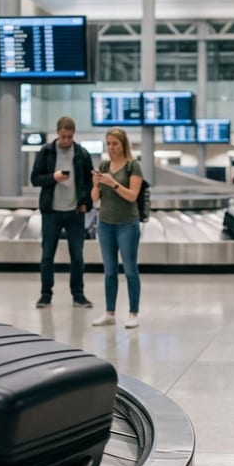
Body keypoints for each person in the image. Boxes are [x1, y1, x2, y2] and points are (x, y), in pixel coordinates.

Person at [31, 116, 95, 309]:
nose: (66, 140)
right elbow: (35, 178)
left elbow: (88, 181)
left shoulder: (82, 154)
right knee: (47, 255)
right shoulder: (46, 152)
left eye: (69, 137)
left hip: (75, 212)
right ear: (57, 133)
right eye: (63, 136)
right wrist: (53, 177)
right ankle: (45, 295)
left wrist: (86, 203)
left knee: (77, 256)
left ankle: (78, 295)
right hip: (51, 212)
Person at [90, 127, 143, 328]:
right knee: (109, 271)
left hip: (127, 224)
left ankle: (133, 312)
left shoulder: (133, 166)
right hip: (105, 223)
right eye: (109, 143)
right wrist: (96, 184)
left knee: (130, 269)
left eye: (115, 144)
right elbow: (95, 198)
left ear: (123, 145)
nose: (111, 147)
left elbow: (132, 196)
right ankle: (109, 312)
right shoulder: (104, 165)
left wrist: (112, 183)